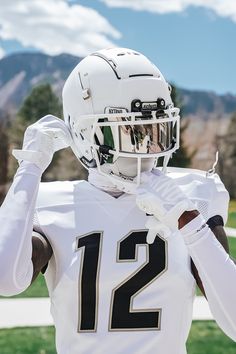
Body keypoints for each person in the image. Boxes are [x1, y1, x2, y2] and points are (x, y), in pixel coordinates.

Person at [0, 47, 235, 354]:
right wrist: (30, 168)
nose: (149, 147)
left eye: (155, 129)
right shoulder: (50, 202)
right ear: (87, 136)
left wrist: (189, 223)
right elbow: (6, 280)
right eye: (130, 132)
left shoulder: (193, 195)